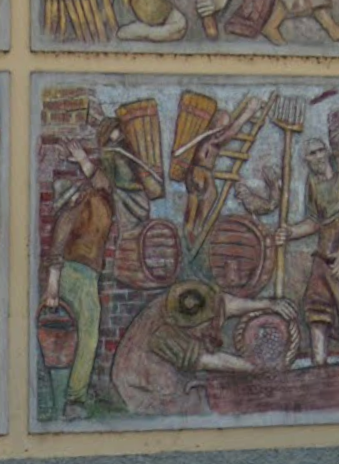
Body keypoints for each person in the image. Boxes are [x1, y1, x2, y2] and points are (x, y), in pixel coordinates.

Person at [110, 280, 295, 416]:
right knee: (195, 407)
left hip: (164, 374)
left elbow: (227, 304)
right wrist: (253, 367)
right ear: (189, 324)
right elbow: (209, 360)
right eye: (203, 327)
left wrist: (268, 304)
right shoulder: (164, 334)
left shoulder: (191, 299)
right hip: (141, 387)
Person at [275, 138, 339, 365]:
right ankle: (319, 366)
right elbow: (315, 221)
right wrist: (291, 232)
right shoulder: (312, 181)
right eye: (312, 154)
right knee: (316, 305)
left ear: (327, 151)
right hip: (324, 246)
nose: (318, 157)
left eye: (321, 151)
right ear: (306, 159)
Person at [42, 138, 115, 419]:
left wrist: (84, 159)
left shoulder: (99, 201)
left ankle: (72, 398)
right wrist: (52, 284)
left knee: (84, 336)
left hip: (87, 275)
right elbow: (58, 245)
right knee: (77, 336)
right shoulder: (75, 210)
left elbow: (103, 184)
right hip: (73, 273)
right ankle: (71, 399)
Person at [178, 98, 263, 249]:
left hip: (193, 172)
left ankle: (189, 236)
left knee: (192, 209)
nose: (225, 129)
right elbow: (232, 131)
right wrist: (248, 113)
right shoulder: (213, 140)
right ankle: (197, 232)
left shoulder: (205, 138)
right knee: (210, 196)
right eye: (223, 125)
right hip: (202, 173)